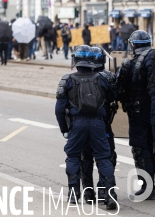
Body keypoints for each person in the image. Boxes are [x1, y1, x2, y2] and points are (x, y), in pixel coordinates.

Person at [55, 45, 117, 209]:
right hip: (98, 124)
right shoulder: (103, 78)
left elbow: (59, 109)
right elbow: (113, 99)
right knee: (104, 158)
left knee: (75, 157)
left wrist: (65, 130)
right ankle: (109, 195)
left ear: (75, 60)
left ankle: (74, 193)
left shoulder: (67, 79)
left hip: (77, 124)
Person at [116, 30, 155, 199]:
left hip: (138, 114)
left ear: (132, 45)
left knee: (141, 150)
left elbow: (117, 89)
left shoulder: (129, 63)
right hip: (150, 111)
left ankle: (147, 187)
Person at [80, 47, 118, 203]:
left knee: (85, 158)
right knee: (107, 157)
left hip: (81, 125)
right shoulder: (107, 77)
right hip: (103, 124)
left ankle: (88, 193)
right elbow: (116, 95)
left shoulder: (76, 76)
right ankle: (104, 190)